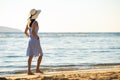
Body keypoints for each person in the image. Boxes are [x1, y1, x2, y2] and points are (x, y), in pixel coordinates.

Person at [24, 9, 43, 75]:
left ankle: (29, 71)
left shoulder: (28, 22)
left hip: (30, 40)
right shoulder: (35, 22)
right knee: (41, 54)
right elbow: (33, 32)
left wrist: (29, 37)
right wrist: (37, 37)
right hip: (35, 40)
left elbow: (25, 32)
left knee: (31, 56)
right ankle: (37, 69)